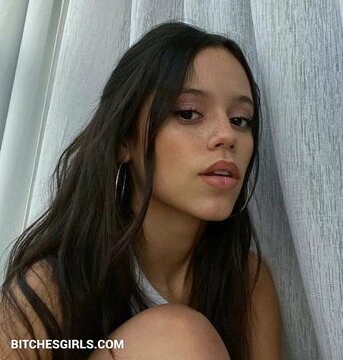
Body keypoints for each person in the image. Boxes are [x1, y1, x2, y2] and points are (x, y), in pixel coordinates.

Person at [0, 21, 282, 359]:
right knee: (179, 336)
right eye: (188, 113)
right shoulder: (55, 286)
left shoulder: (246, 283)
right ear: (124, 141)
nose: (227, 135)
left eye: (240, 119)